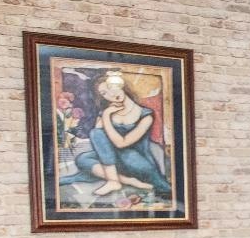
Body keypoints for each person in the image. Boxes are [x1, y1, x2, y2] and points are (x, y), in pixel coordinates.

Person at [68, 72, 173, 200]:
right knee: (82, 158)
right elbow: (98, 139)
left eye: (111, 88)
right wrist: (106, 114)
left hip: (135, 160)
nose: (110, 95)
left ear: (121, 85)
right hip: (113, 161)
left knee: (116, 148)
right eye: (104, 93)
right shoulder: (107, 111)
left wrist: (106, 116)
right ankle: (126, 181)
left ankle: (114, 180)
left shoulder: (145, 115)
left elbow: (121, 143)